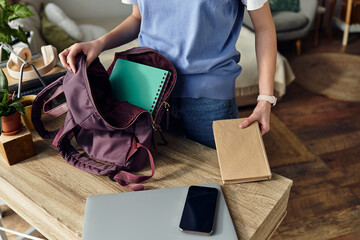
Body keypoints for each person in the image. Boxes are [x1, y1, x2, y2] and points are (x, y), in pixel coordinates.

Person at [59, 0, 277, 149]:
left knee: (219, 185)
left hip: (209, 100)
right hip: (148, 93)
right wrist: (99, 44)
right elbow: (138, 18)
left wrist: (265, 98)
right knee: (160, 183)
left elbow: (265, 27)